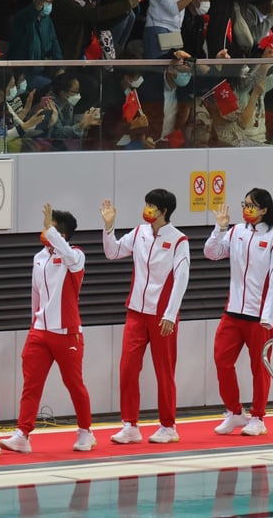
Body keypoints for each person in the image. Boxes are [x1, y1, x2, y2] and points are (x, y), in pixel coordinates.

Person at [0, 204, 95, 454]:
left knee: (74, 383)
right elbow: (36, 294)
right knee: (31, 384)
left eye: (49, 228)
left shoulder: (75, 256)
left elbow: (69, 256)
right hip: (40, 331)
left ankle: (86, 431)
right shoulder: (39, 258)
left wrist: (52, 232)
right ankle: (22, 434)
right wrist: (34, 323)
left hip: (67, 332)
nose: (43, 231)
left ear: (61, 235)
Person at [101, 189, 190, 445]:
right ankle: (129, 425)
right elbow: (113, 252)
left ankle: (168, 426)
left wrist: (171, 314)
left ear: (164, 211)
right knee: (127, 368)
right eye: (146, 203)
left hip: (162, 316)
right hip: (136, 312)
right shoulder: (139, 232)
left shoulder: (178, 240)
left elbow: (182, 278)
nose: (147, 209)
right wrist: (109, 229)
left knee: (164, 371)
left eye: (152, 205)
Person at [204, 189, 273, 437]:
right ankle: (234, 411)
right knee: (221, 360)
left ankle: (258, 417)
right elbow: (211, 253)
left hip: (259, 316)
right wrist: (219, 229)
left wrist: (268, 316)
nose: (247, 208)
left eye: (252, 205)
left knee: (259, 368)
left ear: (264, 209)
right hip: (233, 312)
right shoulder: (236, 231)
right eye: (245, 204)